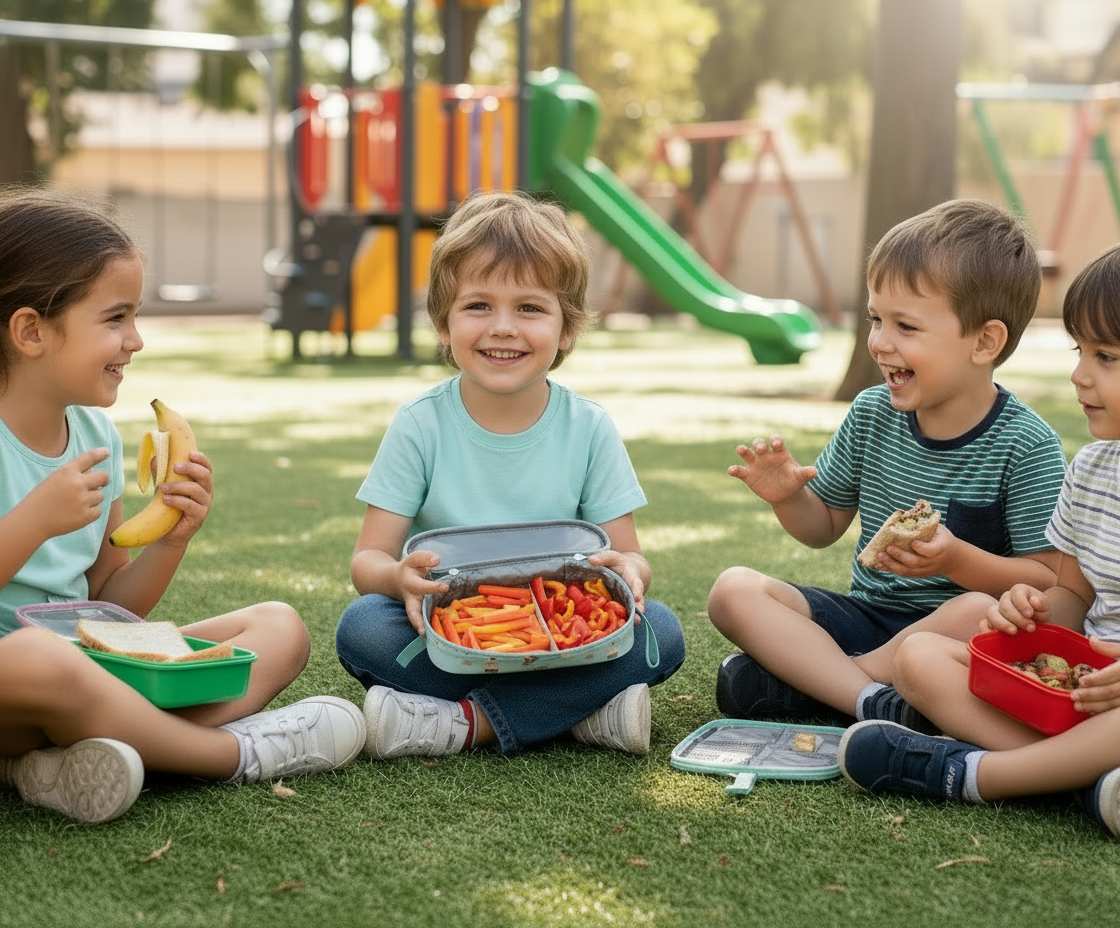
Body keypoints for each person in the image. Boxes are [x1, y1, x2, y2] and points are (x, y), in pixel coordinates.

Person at [0, 189, 364, 824]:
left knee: (278, 627)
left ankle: (53, 766)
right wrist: (36, 519)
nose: (135, 340)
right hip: (21, 677)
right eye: (114, 319)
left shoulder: (94, 437)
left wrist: (171, 541)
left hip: (82, 671)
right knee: (39, 657)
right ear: (31, 330)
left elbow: (108, 605)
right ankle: (229, 755)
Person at [335, 191, 685, 758]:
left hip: (566, 633)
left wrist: (631, 570)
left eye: (529, 308)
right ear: (444, 326)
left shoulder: (589, 428)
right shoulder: (420, 425)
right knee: (362, 628)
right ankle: (582, 712)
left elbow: (629, 560)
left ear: (566, 329)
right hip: (451, 628)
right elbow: (367, 561)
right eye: (477, 306)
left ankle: (468, 724)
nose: (503, 328)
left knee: (660, 634)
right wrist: (398, 580)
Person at [707, 198, 1067, 729]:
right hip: (865, 616)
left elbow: (1048, 584)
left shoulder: (1026, 444)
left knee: (969, 611)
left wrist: (954, 561)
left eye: (906, 326)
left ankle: (822, 684)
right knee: (733, 590)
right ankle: (869, 699)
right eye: (876, 318)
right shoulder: (872, 412)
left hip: (954, 638)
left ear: (985, 341)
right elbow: (821, 526)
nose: (879, 342)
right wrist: (788, 495)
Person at [838, 243, 1120, 838]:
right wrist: (1029, 608)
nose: (1079, 374)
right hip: (1073, 689)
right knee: (920, 659)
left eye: (1107, 357)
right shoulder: (1093, 471)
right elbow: (1070, 598)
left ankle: (975, 775)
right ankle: (1086, 780)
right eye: (1080, 351)